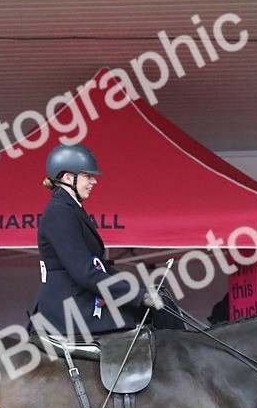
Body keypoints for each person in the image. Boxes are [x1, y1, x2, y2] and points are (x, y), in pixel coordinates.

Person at [30, 143, 162, 338]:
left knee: (158, 309)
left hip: (80, 296)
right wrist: (137, 295)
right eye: (88, 176)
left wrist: (138, 289)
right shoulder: (59, 212)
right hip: (68, 305)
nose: (94, 181)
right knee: (145, 319)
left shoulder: (71, 208)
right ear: (68, 177)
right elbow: (84, 272)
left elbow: (98, 266)